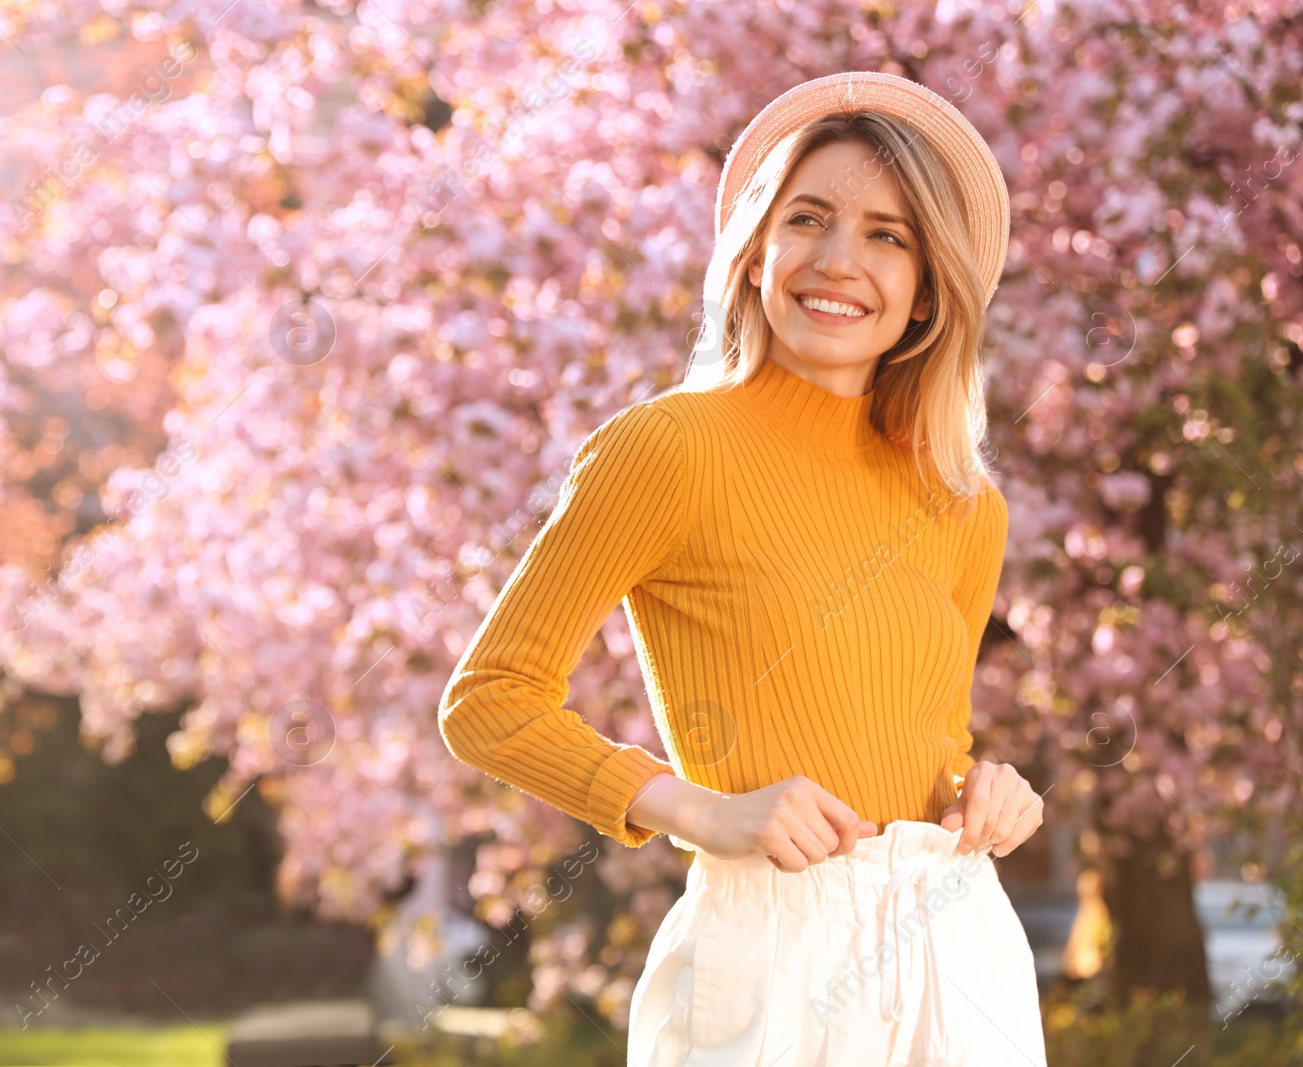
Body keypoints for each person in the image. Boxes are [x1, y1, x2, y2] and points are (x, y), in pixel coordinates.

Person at [438, 71, 1047, 1066]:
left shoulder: (964, 502)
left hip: (956, 935)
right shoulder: (666, 448)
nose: (838, 260)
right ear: (756, 250)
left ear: (929, 287)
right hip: (773, 944)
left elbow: (932, 735)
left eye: (887, 234)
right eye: (808, 219)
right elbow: (488, 699)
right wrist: (700, 809)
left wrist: (986, 787)